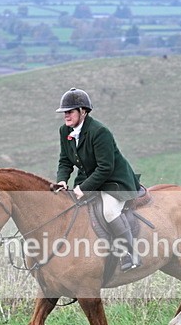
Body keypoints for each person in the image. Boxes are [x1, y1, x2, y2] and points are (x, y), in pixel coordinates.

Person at [54, 88, 142, 271]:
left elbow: (105, 168)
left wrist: (83, 188)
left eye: (70, 111)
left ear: (83, 111)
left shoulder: (99, 131)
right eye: (64, 112)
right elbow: (65, 160)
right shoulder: (65, 131)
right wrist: (62, 180)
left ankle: (129, 253)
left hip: (115, 181)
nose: (66, 116)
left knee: (109, 211)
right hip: (89, 179)